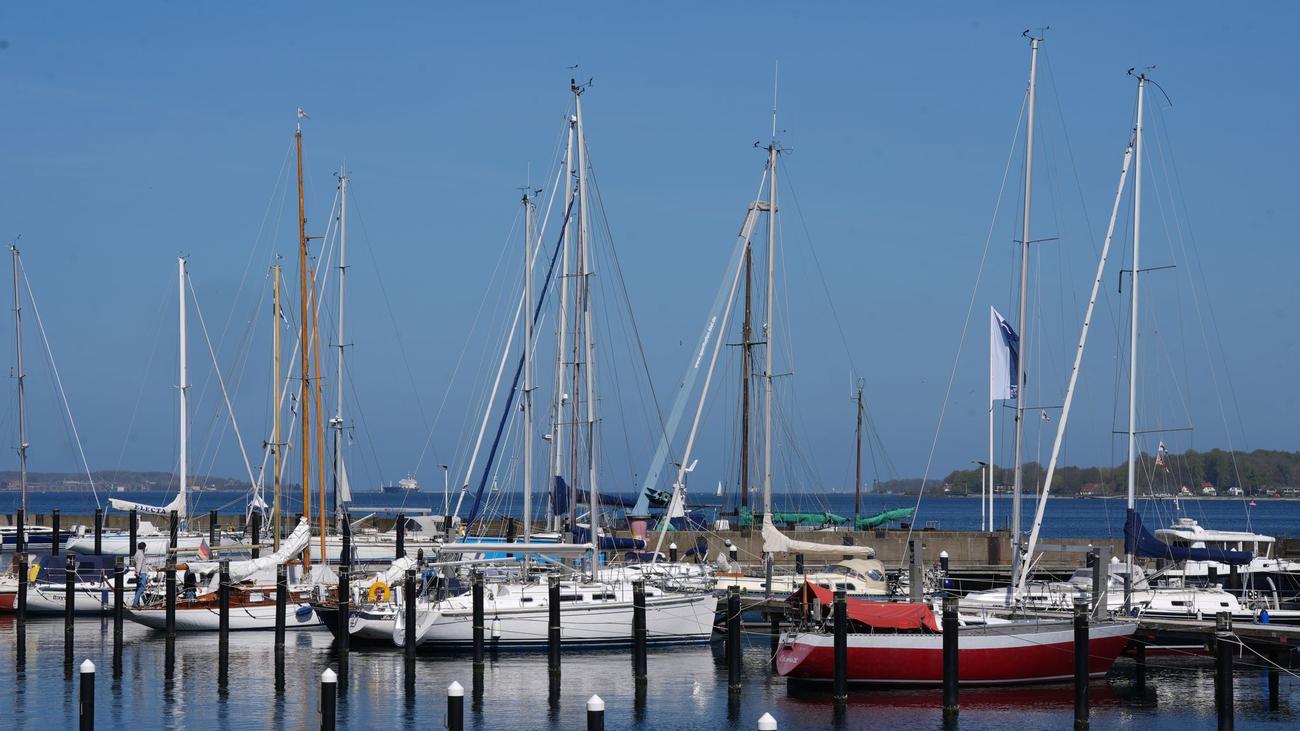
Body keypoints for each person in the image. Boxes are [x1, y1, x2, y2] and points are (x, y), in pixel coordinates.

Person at [132, 542, 149, 607]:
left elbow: (134, 563)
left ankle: (137, 603)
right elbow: (139, 563)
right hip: (142, 573)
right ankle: (135, 603)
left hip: (138, 572)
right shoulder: (141, 554)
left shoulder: (136, 553)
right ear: (143, 547)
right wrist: (138, 572)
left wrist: (136, 570)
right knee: (142, 588)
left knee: (138, 588)